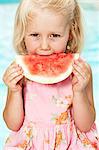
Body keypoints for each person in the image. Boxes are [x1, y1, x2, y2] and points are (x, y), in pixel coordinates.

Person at [3, 0, 99, 149]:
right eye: (35, 35)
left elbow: (86, 125)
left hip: (70, 143)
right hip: (32, 143)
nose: (44, 46)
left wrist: (79, 92)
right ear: (23, 34)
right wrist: (14, 91)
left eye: (54, 35)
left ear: (71, 33)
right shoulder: (19, 71)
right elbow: (12, 124)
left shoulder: (80, 70)